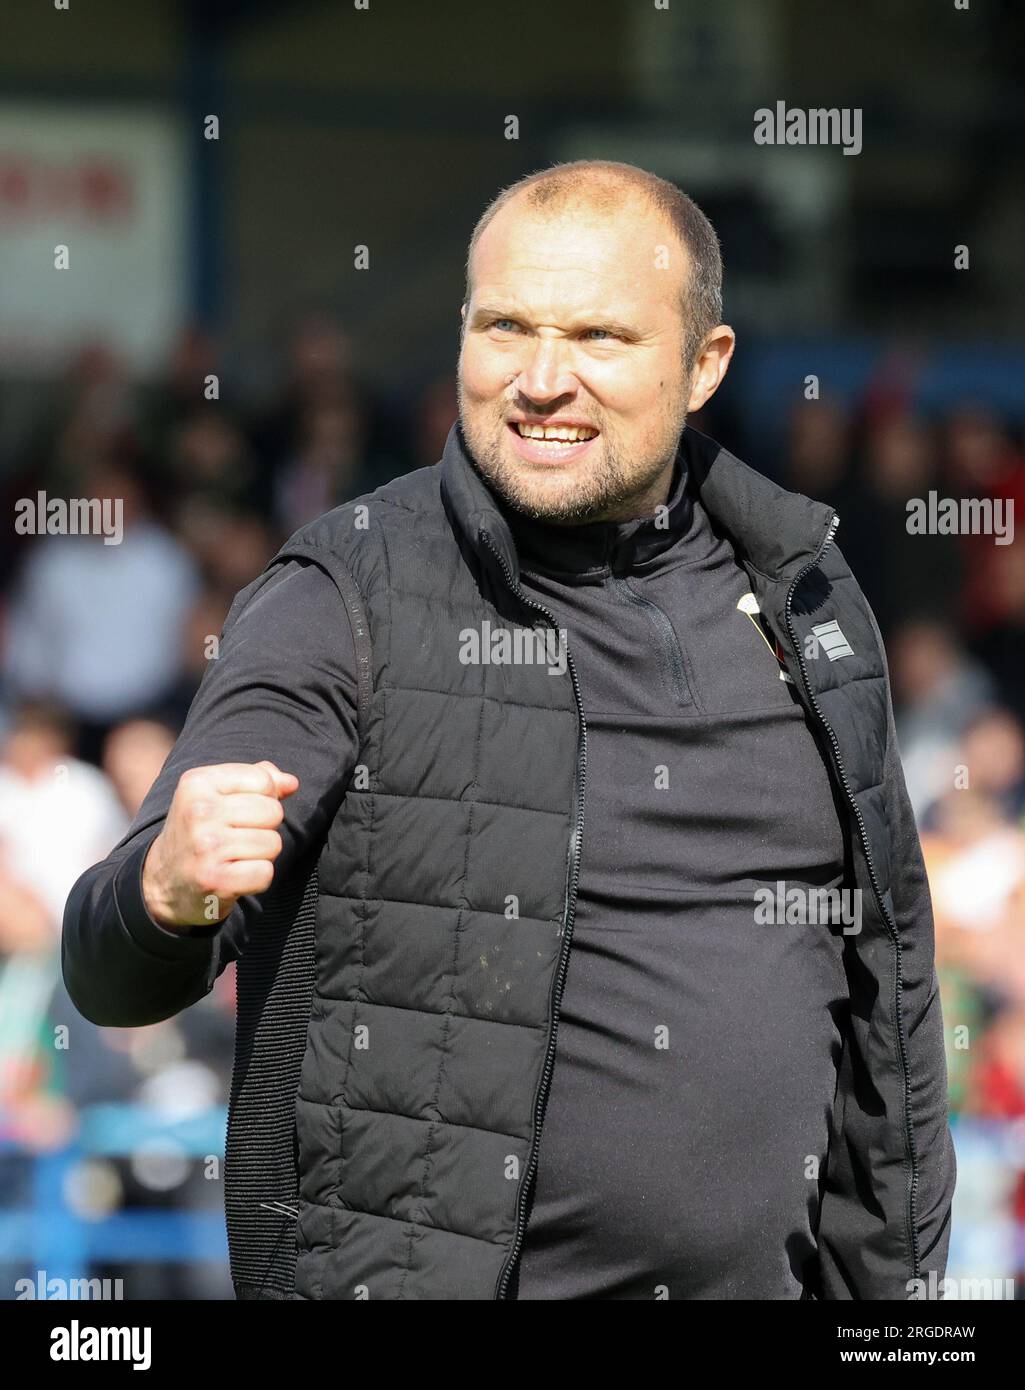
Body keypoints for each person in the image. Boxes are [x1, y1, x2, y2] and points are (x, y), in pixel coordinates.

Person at [63, 159, 956, 1301]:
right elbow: (108, 963)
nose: (541, 379)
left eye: (596, 337)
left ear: (703, 366)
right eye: (505, 328)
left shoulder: (810, 600)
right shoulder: (344, 594)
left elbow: (891, 996)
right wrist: (167, 890)